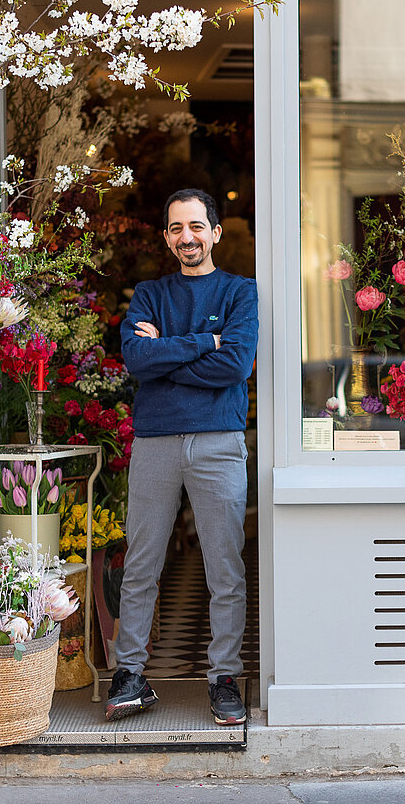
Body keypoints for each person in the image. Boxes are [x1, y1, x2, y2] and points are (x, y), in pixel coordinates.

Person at [105, 188, 259, 727]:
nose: (186, 237)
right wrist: (205, 342)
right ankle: (130, 674)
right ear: (166, 236)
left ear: (215, 232)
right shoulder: (149, 294)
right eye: (175, 228)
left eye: (196, 226)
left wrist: (170, 352)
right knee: (142, 562)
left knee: (225, 566)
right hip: (155, 440)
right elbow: (138, 359)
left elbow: (236, 366)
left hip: (218, 441)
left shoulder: (242, 292)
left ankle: (224, 676)